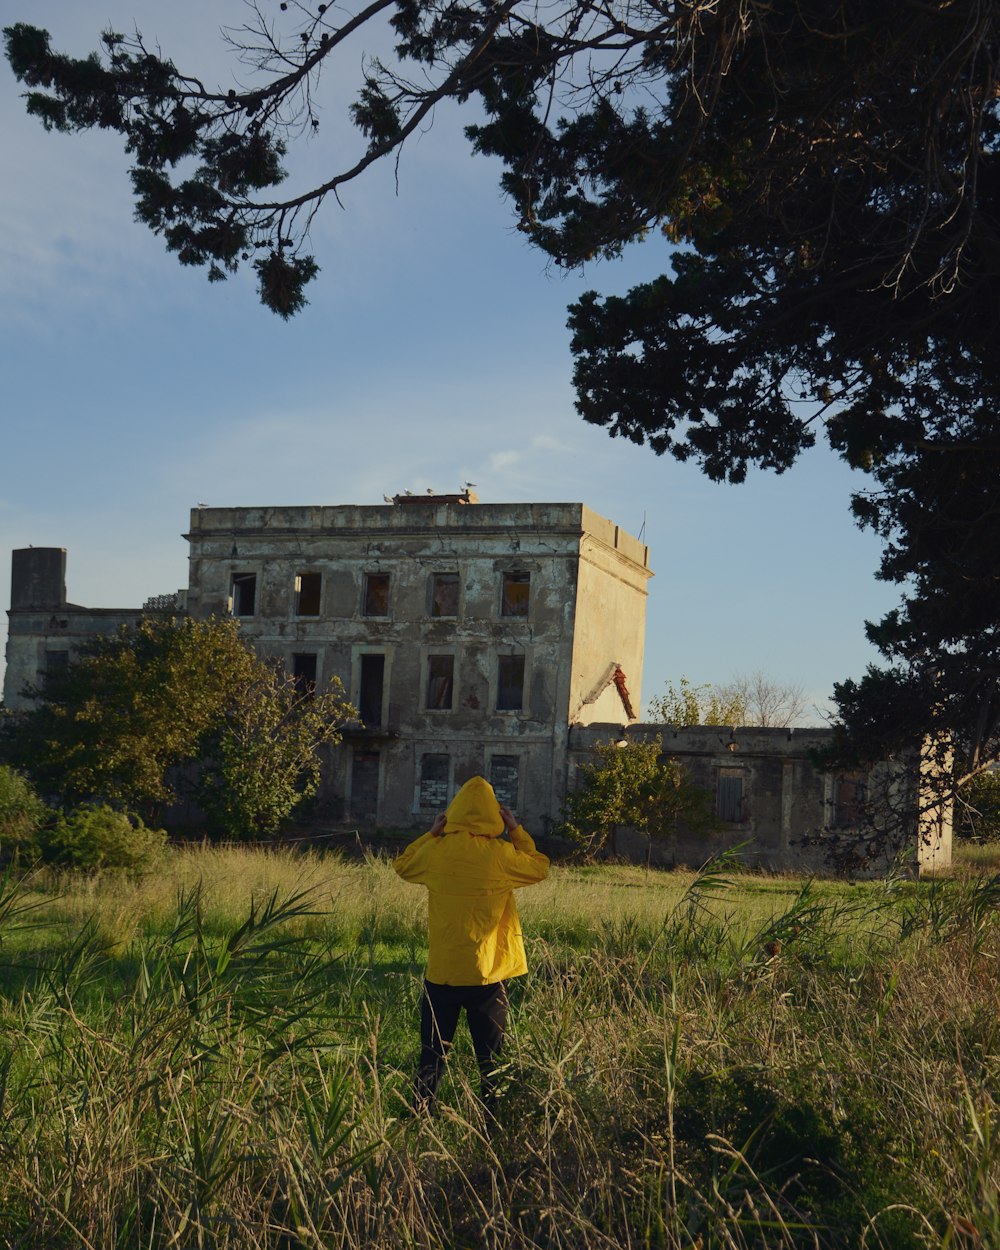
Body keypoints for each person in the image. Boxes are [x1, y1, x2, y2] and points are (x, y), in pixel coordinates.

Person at [394, 775, 549, 1114]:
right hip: (488, 976)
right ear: (495, 816)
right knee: (490, 1060)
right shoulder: (501, 854)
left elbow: (402, 865)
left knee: (432, 1054)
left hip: (443, 974)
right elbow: (540, 868)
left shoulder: (437, 851)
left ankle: (421, 1115)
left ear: (455, 812)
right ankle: (491, 1120)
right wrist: (516, 829)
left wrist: (432, 833)